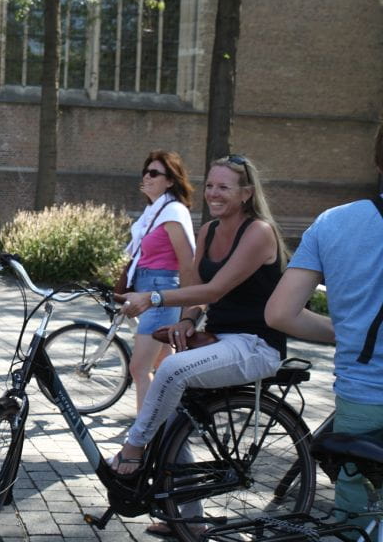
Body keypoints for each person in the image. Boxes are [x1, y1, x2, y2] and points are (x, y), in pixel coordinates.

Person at [116, 155, 288, 537]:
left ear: (245, 193)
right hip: (220, 338)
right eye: (209, 185)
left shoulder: (259, 232)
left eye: (223, 187)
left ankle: (132, 449)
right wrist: (188, 320)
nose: (213, 193)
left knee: (169, 370)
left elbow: (215, 288)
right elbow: (200, 295)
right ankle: (189, 519)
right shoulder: (209, 231)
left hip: (256, 344)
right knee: (169, 414)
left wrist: (154, 298)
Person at [265, 122, 383, 532]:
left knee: (354, 520)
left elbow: (280, 313)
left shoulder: (333, 223)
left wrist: (348, 332)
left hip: (360, 397)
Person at [124, 151, 196, 410]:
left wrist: (189, 308)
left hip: (161, 295)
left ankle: (143, 434)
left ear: (170, 181)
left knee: (139, 367)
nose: (147, 176)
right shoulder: (153, 211)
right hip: (148, 292)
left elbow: (187, 263)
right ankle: (172, 418)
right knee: (163, 365)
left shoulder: (173, 212)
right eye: (146, 170)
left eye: (154, 172)